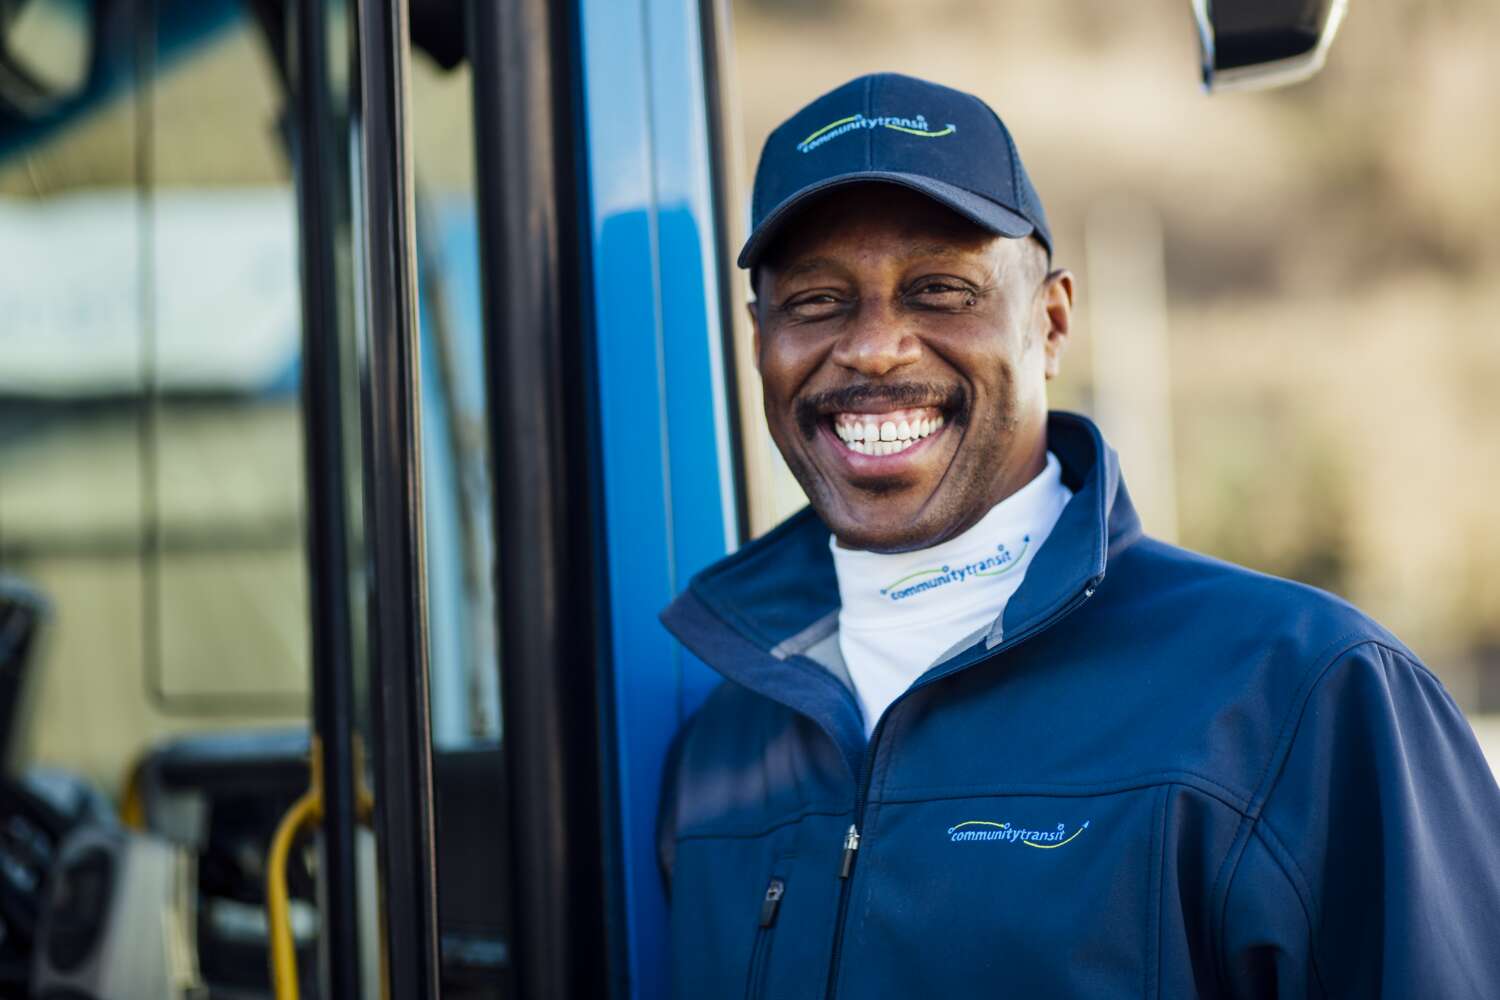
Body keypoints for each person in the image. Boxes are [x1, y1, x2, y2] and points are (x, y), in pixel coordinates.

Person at [656, 72, 1500, 998]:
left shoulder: (1301, 693)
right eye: (817, 302)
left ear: (1051, 321)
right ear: (757, 339)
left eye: (940, 290)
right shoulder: (717, 752)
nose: (873, 346)